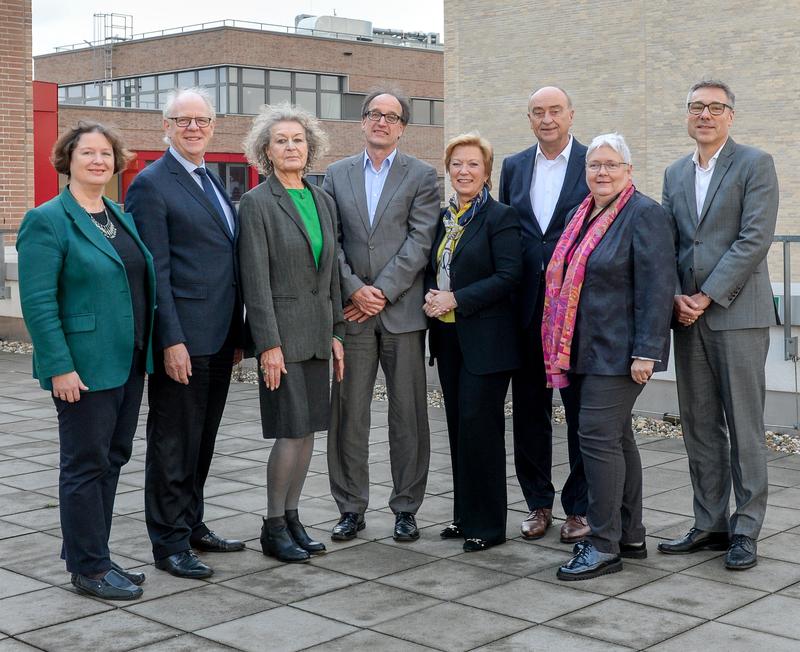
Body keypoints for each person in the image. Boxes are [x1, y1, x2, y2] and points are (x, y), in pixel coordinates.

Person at [17, 121, 156, 600]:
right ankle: (88, 568)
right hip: (82, 366)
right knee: (84, 463)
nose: (98, 161)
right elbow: (37, 302)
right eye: (87, 154)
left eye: (105, 154)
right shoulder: (48, 219)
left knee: (112, 458)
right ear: (67, 161)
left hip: (128, 359)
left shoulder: (118, 215)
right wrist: (59, 365)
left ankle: (96, 553)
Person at [659, 80, 779, 570]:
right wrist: (674, 296)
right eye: (695, 107)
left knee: (744, 426)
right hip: (687, 317)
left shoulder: (755, 164)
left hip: (736, 314)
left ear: (731, 115)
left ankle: (745, 530)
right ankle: (710, 523)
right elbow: (665, 240)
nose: (704, 115)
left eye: (714, 108)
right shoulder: (673, 172)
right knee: (700, 426)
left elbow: (754, 238)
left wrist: (706, 296)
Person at [126, 88, 245, 579]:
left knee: (203, 438)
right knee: (173, 441)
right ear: (166, 126)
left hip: (218, 337)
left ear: (214, 127)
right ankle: (169, 542)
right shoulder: (152, 184)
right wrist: (169, 340)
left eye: (203, 120)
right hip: (183, 340)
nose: (194, 128)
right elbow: (156, 272)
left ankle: (191, 523)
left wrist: (238, 333)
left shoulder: (210, 179)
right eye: (183, 120)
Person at [543, 133, 674, 580]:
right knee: (617, 439)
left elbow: (658, 288)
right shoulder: (582, 214)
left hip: (620, 354)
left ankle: (602, 545)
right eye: (595, 164)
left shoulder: (645, 214)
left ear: (629, 171)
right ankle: (630, 534)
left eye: (611, 164)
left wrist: (646, 351)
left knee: (596, 439)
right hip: (581, 350)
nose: (602, 172)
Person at [324, 88, 440, 542]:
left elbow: (420, 241)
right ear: (362, 121)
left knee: (407, 416)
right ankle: (350, 507)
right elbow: (329, 240)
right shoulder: (335, 174)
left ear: (402, 127)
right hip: (352, 315)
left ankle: (406, 507)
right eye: (374, 114)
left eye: (391, 117)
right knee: (348, 416)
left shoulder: (422, 175)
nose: (381, 122)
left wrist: (382, 292)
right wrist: (355, 288)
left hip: (403, 314)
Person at [238, 104, 346, 563]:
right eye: (280, 140)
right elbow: (255, 280)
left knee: (308, 434)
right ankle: (272, 524)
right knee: (289, 431)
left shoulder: (322, 200)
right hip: (282, 338)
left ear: (310, 147)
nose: (290, 147)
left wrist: (337, 331)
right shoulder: (257, 203)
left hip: (318, 334)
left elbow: (332, 275)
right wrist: (268, 345)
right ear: (265, 150)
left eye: (297, 140)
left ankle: (293, 516)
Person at [498, 86, 590, 543]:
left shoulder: (594, 162)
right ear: (529, 118)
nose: (547, 119)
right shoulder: (514, 166)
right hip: (526, 309)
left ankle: (579, 508)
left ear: (571, 115)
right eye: (538, 112)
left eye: (555, 111)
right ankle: (538, 503)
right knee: (530, 411)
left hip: (575, 313)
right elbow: (508, 233)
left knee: (579, 413)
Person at [425, 133, 522, 551]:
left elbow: (508, 276)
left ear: (487, 173)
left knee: (481, 429)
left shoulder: (501, 217)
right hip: (448, 337)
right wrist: (434, 294)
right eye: (457, 164)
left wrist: (456, 298)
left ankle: (489, 526)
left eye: (473, 165)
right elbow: (439, 268)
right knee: (458, 428)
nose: (464, 171)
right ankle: (464, 516)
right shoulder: (446, 217)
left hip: (487, 341)